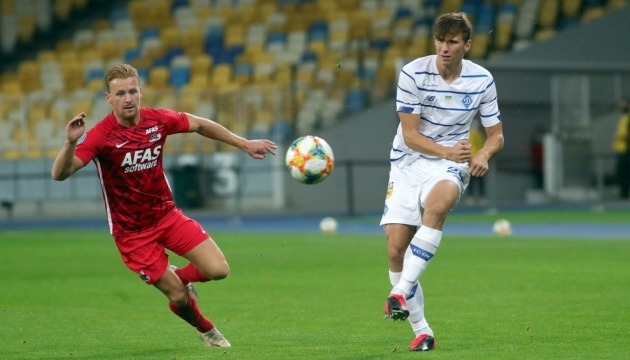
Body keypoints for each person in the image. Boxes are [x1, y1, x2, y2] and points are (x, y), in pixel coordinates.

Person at [51, 63, 277, 348]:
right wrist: (69, 143)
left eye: (133, 91)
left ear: (141, 92)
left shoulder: (158, 121)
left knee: (219, 270)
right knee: (179, 297)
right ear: (109, 98)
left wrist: (243, 143)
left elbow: (200, 124)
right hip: (132, 234)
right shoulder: (100, 136)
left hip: (167, 217)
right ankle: (207, 330)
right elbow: (59, 174)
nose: (128, 98)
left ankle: (178, 277)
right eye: (120, 93)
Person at [380, 13, 504, 352]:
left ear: (467, 45)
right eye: (440, 41)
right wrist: (447, 151)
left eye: (452, 42)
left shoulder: (482, 79)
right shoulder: (413, 73)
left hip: (450, 165)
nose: (444, 48)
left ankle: (398, 293)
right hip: (408, 162)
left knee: (437, 207)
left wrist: (483, 155)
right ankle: (423, 332)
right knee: (395, 250)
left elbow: (496, 136)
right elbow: (409, 135)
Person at [465, 118, 487, 206]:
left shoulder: (477, 134)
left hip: (475, 158)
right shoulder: (472, 134)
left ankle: (479, 197)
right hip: (472, 158)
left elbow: (481, 145)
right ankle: (473, 197)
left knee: (478, 178)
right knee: (473, 179)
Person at [613, 98, 630, 199]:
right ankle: (623, 193)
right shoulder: (624, 118)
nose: (622, 107)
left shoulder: (628, 118)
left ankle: (625, 194)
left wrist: (621, 137)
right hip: (621, 150)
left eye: (624, 104)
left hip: (627, 151)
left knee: (624, 173)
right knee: (621, 173)